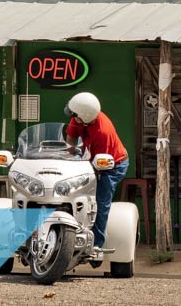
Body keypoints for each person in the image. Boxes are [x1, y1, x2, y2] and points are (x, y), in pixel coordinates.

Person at [64, 92, 128, 252]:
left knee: (100, 200)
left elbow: (97, 166)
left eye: (75, 117)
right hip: (93, 158)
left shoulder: (102, 132)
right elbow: (70, 139)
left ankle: (96, 244)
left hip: (111, 164)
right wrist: (69, 153)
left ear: (84, 117)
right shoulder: (78, 115)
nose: (73, 118)